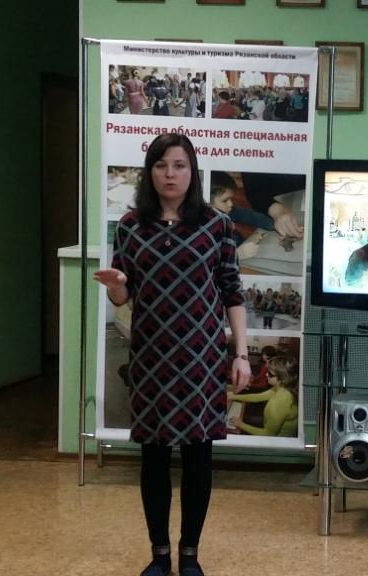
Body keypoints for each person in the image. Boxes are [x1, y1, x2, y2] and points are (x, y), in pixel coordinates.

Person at [93, 133, 251, 576]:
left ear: (192, 172)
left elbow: (232, 292)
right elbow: (124, 297)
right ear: (150, 172)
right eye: (161, 165)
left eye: (179, 165)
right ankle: (160, 554)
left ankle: (190, 555)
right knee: (154, 457)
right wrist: (116, 286)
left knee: (199, 456)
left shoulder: (216, 225)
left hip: (201, 358)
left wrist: (241, 354)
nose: (170, 174)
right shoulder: (131, 225)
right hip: (151, 358)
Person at [229, 355, 299, 437]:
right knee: (246, 418)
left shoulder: (279, 402)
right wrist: (233, 396)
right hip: (270, 427)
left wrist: (240, 424)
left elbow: (268, 434)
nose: (266, 374)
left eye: (270, 374)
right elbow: (258, 397)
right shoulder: (282, 388)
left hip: (277, 441)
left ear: (283, 378)